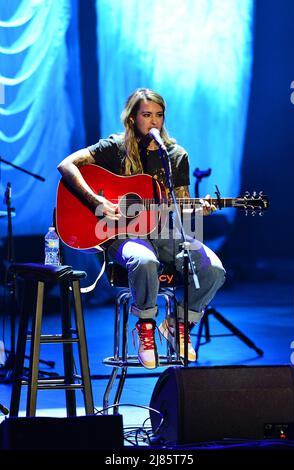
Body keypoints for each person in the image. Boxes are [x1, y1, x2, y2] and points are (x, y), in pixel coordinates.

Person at [57, 88, 226, 369]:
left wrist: (201, 208)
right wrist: (95, 199)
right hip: (119, 235)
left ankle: (177, 325)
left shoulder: (175, 155)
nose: (154, 122)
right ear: (133, 118)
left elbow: (181, 204)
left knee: (214, 269)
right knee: (144, 259)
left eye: (159, 115)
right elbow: (66, 165)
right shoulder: (113, 148)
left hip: (162, 233)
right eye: (147, 115)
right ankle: (145, 326)